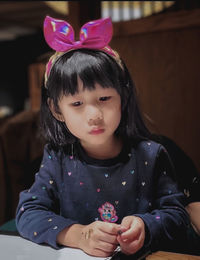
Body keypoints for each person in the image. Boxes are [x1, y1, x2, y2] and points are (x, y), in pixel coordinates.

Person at [15, 16, 189, 258]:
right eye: (76, 103)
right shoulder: (57, 157)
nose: (94, 115)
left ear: (123, 98)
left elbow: (178, 215)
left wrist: (145, 227)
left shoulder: (151, 154)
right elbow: (28, 212)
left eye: (104, 99)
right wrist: (78, 234)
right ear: (57, 110)